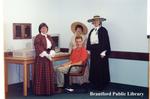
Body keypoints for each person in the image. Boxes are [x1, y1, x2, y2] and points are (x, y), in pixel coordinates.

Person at [87, 15, 111, 90]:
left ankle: (102, 85)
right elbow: (89, 42)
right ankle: (95, 84)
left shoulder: (103, 30)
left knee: (101, 68)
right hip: (93, 52)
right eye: (94, 21)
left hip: (101, 52)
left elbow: (105, 42)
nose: (95, 22)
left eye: (97, 21)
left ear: (100, 22)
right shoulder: (91, 31)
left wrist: (103, 52)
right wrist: (88, 50)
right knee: (94, 68)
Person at [33, 23, 56, 95]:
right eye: (42, 28)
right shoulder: (38, 37)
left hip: (48, 57)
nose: (44, 29)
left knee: (48, 73)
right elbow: (38, 47)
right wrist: (46, 55)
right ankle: (41, 91)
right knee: (41, 74)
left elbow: (53, 45)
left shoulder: (49, 36)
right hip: (42, 58)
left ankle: (49, 90)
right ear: (40, 29)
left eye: (45, 28)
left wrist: (52, 52)